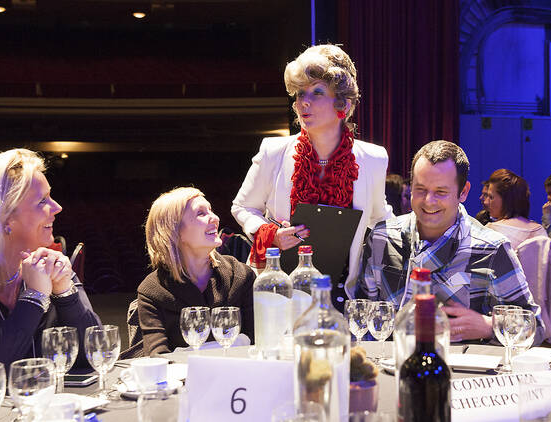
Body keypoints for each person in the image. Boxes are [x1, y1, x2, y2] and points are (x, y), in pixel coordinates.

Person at [0, 149, 100, 403]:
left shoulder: (48, 264)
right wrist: (34, 298)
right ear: (2, 217)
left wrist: (66, 292)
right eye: (42, 200)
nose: (57, 207)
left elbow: (96, 353)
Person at [231, 44, 392, 306]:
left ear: (344, 103)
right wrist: (271, 234)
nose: (303, 102)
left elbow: (379, 220)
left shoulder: (373, 159)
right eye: (300, 93)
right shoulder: (274, 151)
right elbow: (242, 207)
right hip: (279, 292)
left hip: (340, 295)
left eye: (317, 92)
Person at [356, 141, 545, 343]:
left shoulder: (491, 249)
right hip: (394, 366)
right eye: (420, 189)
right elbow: (362, 314)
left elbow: (535, 328)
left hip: (464, 371)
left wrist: (489, 326)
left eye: (441, 192)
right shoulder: (383, 238)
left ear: (463, 192)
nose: (429, 201)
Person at [139, 187, 256, 356]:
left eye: (211, 210)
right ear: (174, 231)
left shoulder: (241, 275)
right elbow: (157, 357)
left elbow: (258, 344)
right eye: (201, 213)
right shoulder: (152, 291)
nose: (215, 218)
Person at [483, 168, 547, 247]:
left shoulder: (491, 231)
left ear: (506, 199)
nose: (486, 202)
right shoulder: (540, 231)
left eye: (491, 197)